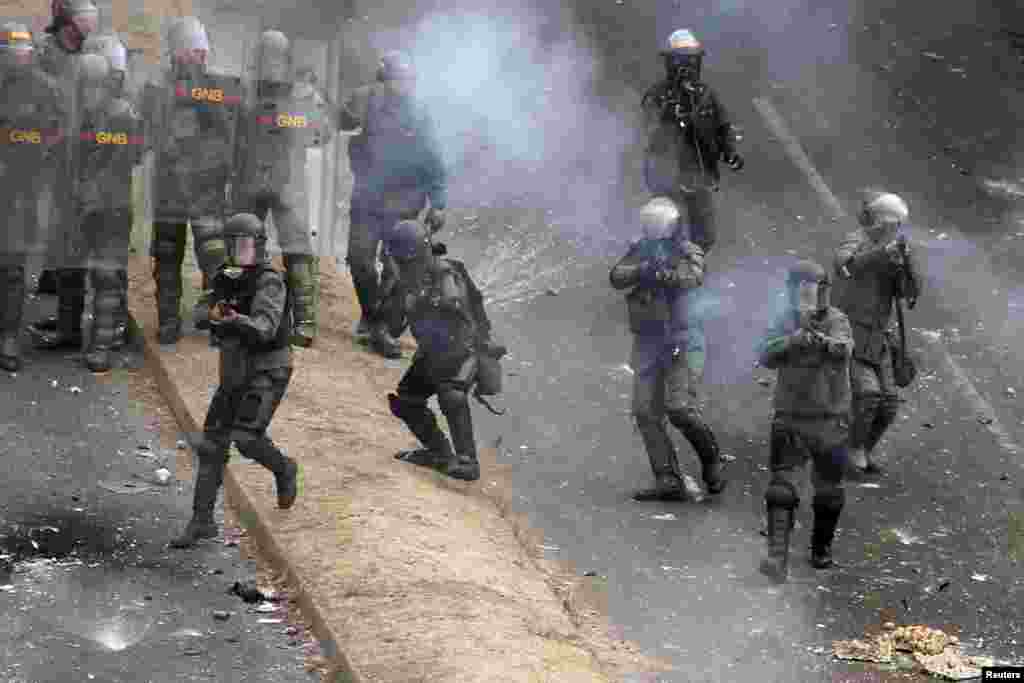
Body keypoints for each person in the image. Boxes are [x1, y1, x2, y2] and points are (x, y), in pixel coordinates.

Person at [170, 212, 299, 548]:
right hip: (235, 369)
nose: (239, 251)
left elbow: (265, 327)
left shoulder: (269, 280)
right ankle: (201, 522)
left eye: (244, 245)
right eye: (233, 245)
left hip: (268, 367)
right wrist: (211, 314)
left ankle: (284, 468)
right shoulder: (224, 276)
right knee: (212, 444)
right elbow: (199, 312)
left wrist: (233, 318)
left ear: (257, 245)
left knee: (246, 437)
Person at [609, 196, 725, 501]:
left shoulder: (687, 251)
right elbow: (616, 276)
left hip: (682, 339)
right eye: (648, 225)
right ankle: (667, 479)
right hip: (649, 340)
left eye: (656, 225)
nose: (652, 231)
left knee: (680, 409)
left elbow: (694, 276)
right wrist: (641, 270)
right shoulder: (639, 250)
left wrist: (665, 274)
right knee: (645, 411)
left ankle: (711, 459)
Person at [337, 49, 448, 358]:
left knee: (397, 271)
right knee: (359, 260)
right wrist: (348, 112)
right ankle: (372, 316)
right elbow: (339, 121)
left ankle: (383, 327)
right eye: (395, 79)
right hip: (368, 198)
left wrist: (438, 203)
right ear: (383, 78)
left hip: (405, 201)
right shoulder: (366, 98)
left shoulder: (420, 113)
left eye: (406, 80)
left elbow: (434, 158)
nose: (402, 85)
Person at [143, 16, 240, 346]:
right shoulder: (158, 87)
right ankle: (169, 321)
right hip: (171, 185)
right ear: (176, 53)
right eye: (190, 51)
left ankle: (217, 320)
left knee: (214, 257)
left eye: (200, 52)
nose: (196, 57)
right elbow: (148, 131)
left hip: (205, 187)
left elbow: (228, 135)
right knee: (168, 256)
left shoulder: (215, 88)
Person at [382, 219, 503, 482]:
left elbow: (455, 302)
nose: (403, 266)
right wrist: (397, 296)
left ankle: (467, 461)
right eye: (400, 262)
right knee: (406, 402)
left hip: (463, 351)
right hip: (433, 354)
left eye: (406, 262)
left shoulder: (445, 272)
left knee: (452, 395)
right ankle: (439, 453)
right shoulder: (406, 282)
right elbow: (392, 328)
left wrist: (427, 299)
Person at [233, 29, 332, 347]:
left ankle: (240, 308)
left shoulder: (243, 91)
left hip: (255, 177)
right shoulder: (302, 95)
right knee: (296, 249)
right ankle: (303, 321)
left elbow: (229, 134)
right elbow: (323, 133)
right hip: (285, 181)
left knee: (249, 244)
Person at [756, 260, 853, 582]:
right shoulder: (783, 320)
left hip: (830, 417)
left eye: (813, 291)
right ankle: (776, 558)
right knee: (781, 489)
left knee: (828, 493)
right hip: (791, 416)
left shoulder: (837, 320)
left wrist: (821, 341)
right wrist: (794, 339)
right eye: (802, 292)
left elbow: (843, 349)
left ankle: (821, 548)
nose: (808, 298)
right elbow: (766, 355)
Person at [63, 44, 142, 372]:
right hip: (92, 202)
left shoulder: (118, 115)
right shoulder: (87, 114)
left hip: (108, 205)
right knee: (82, 271)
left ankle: (101, 346)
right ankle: (91, 338)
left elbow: (126, 158)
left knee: (105, 275)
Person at [832, 192, 921, 475]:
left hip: (877, 337)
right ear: (883, 223)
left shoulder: (895, 250)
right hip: (851, 330)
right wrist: (883, 255)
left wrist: (906, 265)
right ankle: (849, 452)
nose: (897, 230)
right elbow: (845, 266)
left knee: (889, 404)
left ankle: (860, 450)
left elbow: (910, 293)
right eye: (895, 224)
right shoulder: (857, 240)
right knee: (868, 396)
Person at [28, 0, 98, 347]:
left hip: (86, 165)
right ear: (68, 23)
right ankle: (67, 320)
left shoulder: (94, 56)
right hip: (54, 162)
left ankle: (73, 328)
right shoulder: (45, 56)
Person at [641, 29, 743, 254]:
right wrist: (668, 112)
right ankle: (657, 269)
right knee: (664, 227)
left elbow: (722, 126)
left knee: (705, 237)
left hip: (699, 176)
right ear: (669, 62)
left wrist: (730, 151)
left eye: (690, 60)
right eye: (679, 60)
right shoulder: (657, 95)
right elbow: (648, 128)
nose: (685, 67)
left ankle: (689, 272)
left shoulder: (706, 95)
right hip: (665, 176)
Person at [0, 22, 63, 371]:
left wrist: (35, 165)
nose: (18, 58)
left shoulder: (44, 90)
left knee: (11, 266)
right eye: (11, 52)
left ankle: (8, 336)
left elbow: (55, 136)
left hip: (20, 189)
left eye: (23, 52)